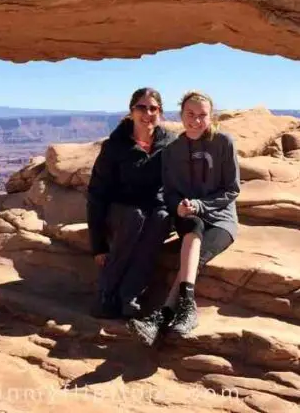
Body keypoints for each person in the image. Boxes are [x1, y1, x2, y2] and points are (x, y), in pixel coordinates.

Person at [128, 90, 240, 344]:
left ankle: (163, 315)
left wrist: (202, 204)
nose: (196, 121)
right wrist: (177, 206)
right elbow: (169, 192)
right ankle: (185, 310)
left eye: (202, 115)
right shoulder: (173, 150)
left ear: (211, 117)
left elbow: (232, 189)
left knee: (194, 256)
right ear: (181, 115)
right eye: (190, 114)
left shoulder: (224, 142)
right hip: (188, 216)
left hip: (221, 218)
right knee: (192, 225)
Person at [86, 87, 178, 319]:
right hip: (119, 209)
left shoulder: (169, 144)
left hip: (153, 207)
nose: (147, 113)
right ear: (131, 111)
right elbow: (97, 192)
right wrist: (98, 245)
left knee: (161, 218)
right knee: (134, 216)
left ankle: (130, 296)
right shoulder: (115, 146)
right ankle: (106, 294)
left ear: (161, 113)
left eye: (153, 108)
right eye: (141, 107)